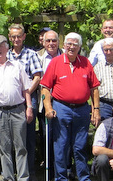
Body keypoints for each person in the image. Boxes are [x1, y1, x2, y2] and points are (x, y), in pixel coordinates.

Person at [41, 32, 100, 181]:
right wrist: (48, 107)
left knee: (80, 146)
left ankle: (84, 177)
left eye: (75, 44)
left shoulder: (86, 63)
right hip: (61, 108)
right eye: (69, 44)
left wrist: (96, 110)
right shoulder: (55, 62)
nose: (71, 47)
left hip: (82, 109)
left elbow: (94, 89)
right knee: (61, 146)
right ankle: (61, 178)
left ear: (79, 47)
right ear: (64, 45)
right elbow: (45, 88)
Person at [0, 35, 33, 181]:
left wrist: (29, 108)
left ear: (7, 48)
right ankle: (8, 177)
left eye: (0, 47)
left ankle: (23, 178)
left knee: (21, 147)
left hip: (18, 110)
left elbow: (26, 89)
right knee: (3, 148)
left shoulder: (17, 66)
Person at [7, 24, 42, 180]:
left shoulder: (31, 54)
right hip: (11, 100)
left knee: (28, 137)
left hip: (29, 100)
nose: (16, 39)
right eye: (13, 37)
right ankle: (11, 170)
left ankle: (30, 170)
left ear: (24, 37)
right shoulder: (5, 55)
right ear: (9, 37)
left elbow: (37, 76)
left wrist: (26, 92)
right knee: (11, 138)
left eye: (19, 36)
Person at [37, 30, 63, 179]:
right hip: (43, 102)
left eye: (54, 40)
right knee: (46, 136)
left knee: (63, 137)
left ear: (58, 41)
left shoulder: (66, 54)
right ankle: (50, 168)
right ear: (43, 42)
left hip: (63, 101)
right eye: (48, 41)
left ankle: (65, 168)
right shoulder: (38, 56)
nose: (51, 44)